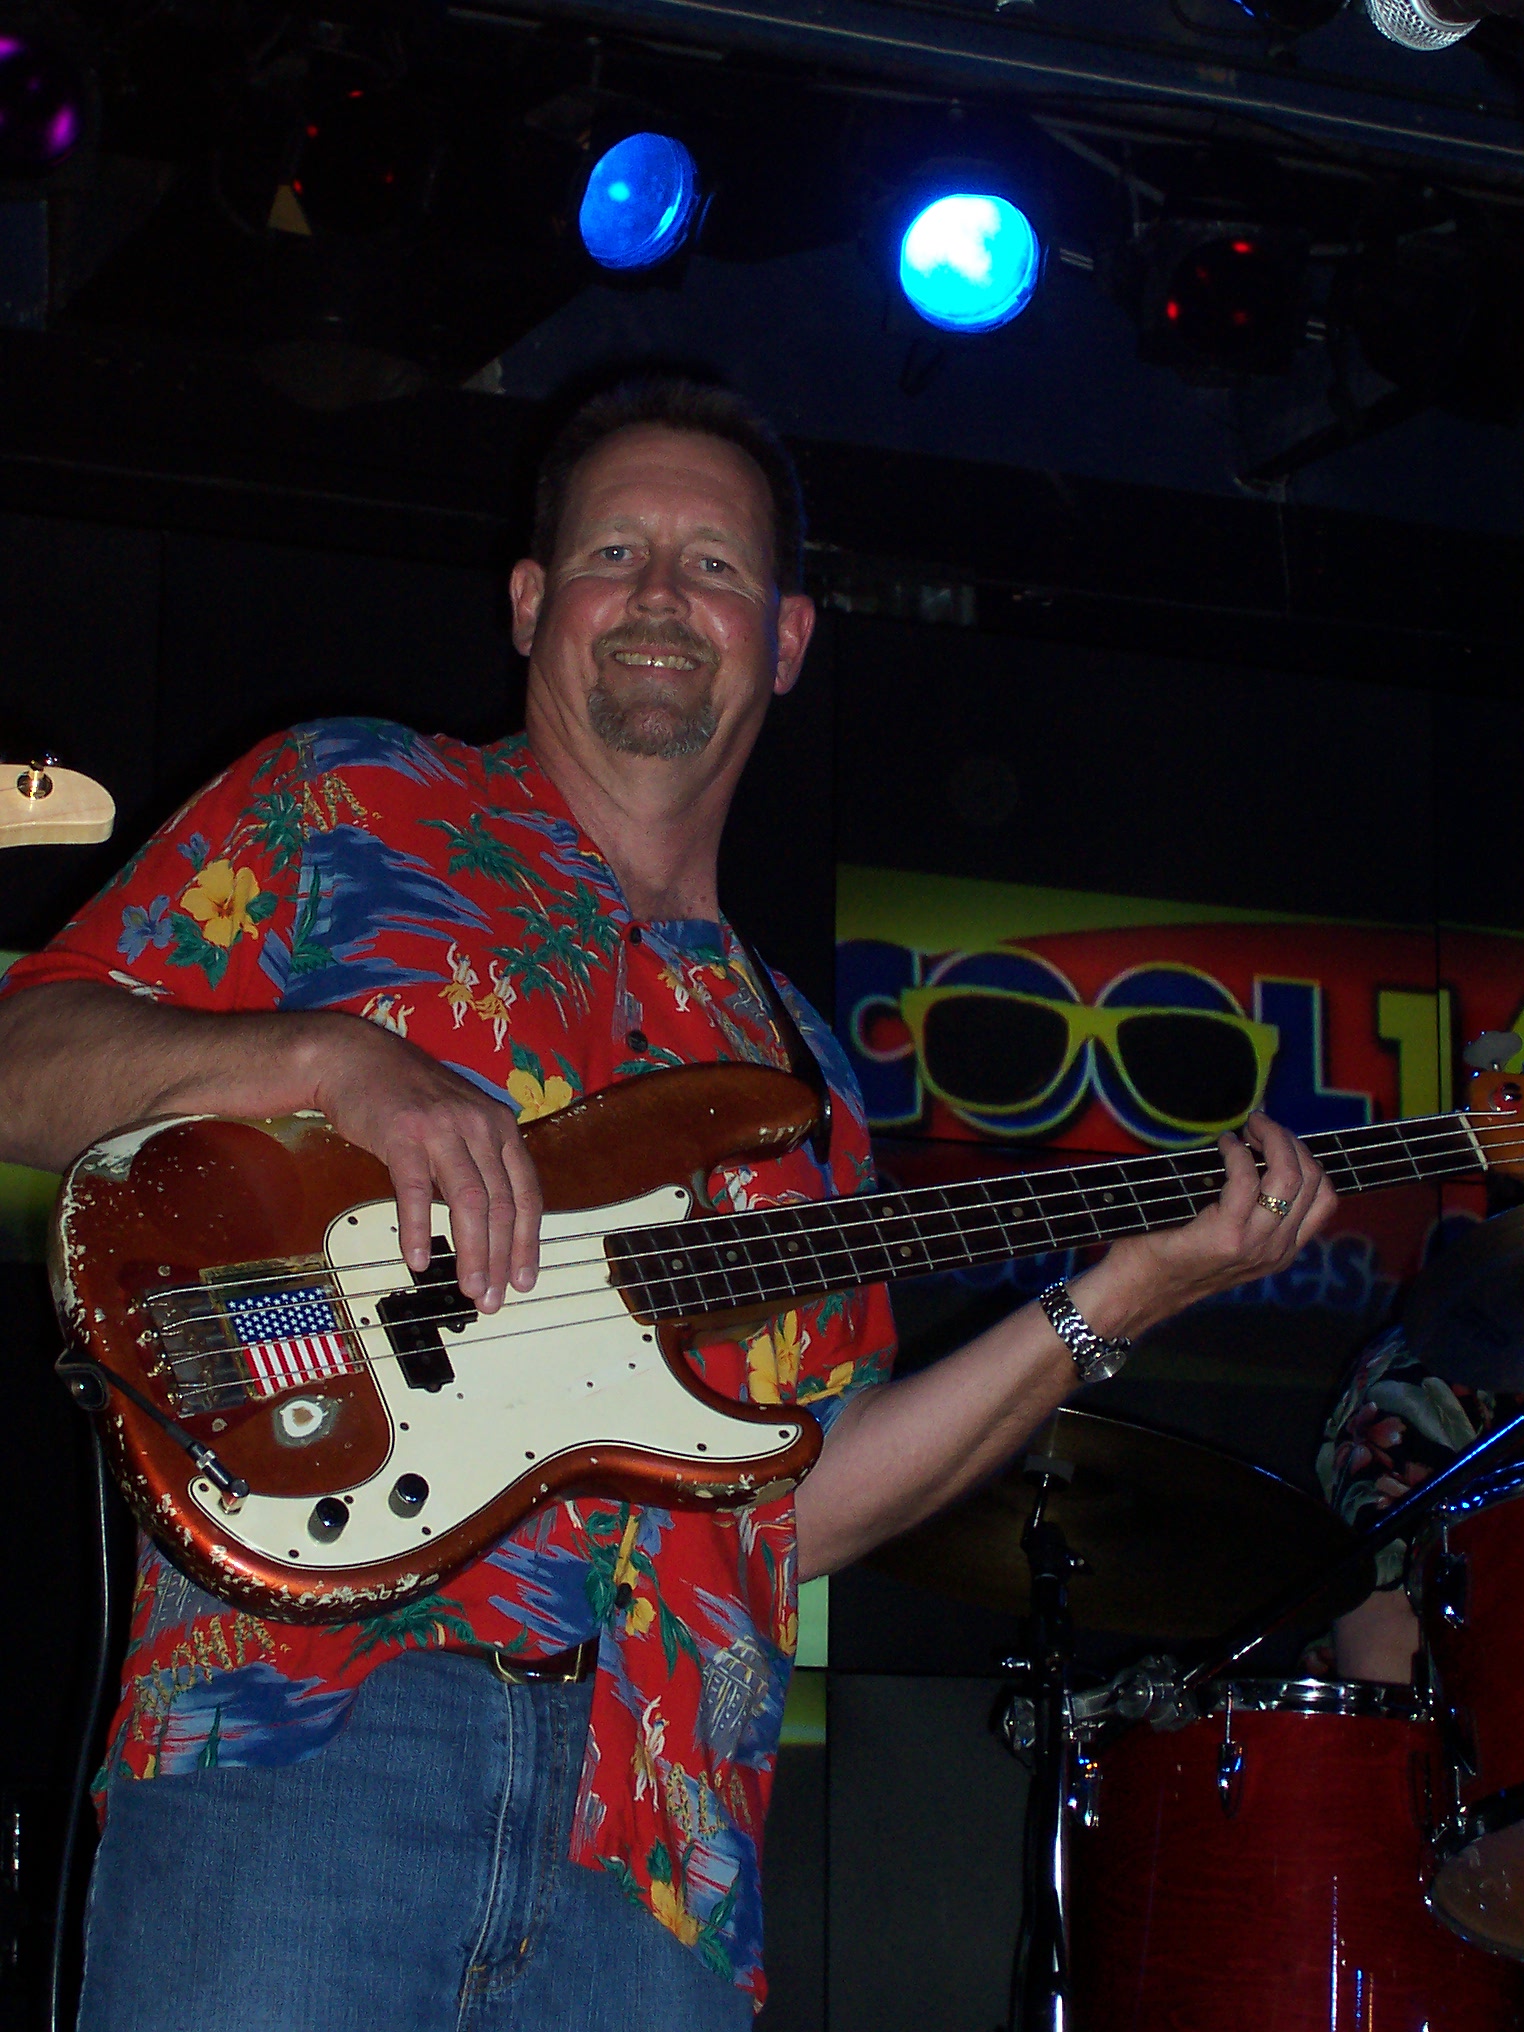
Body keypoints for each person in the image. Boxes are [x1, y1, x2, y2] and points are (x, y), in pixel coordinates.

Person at [0, 378, 1336, 2031]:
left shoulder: (799, 1073)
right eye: (612, 552)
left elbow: (800, 1501)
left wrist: (1113, 1304)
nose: (655, 595)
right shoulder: (346, 804)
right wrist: (333, 1061)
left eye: (710, 566)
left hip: (658, 1856)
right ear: (528, 603)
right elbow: (23, 1060)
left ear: (785, 640)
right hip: (310, 1741)